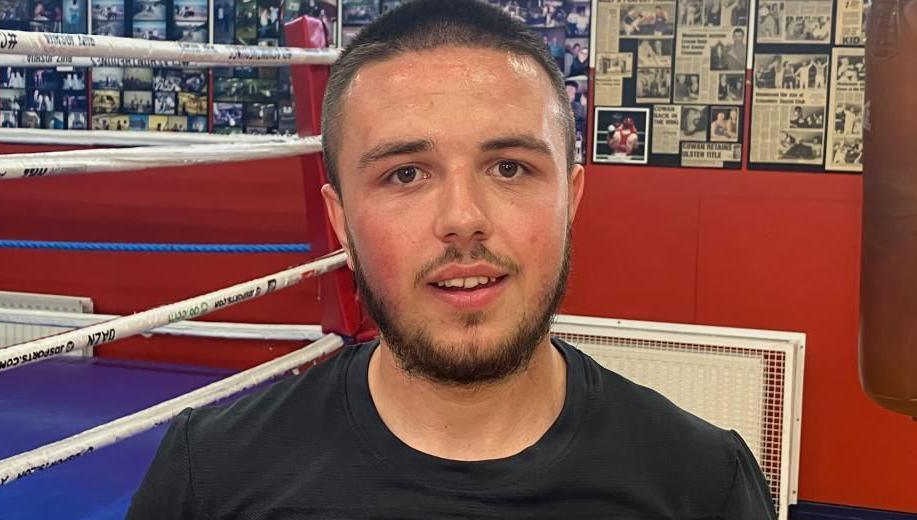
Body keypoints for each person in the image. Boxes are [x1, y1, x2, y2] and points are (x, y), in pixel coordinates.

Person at [127, 1, 777, 518]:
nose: (462, 217)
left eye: (509, 167)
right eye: (406, 174)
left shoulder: (699, 482)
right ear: (341, 222)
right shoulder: (209, 473)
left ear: (568, 199)